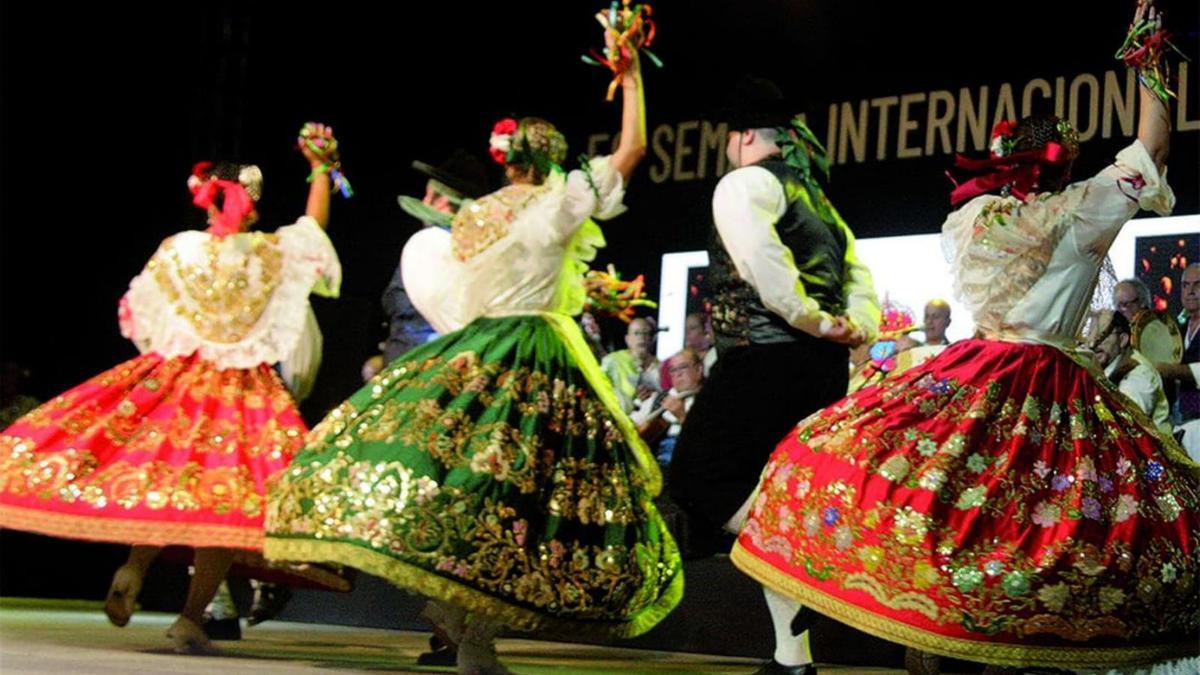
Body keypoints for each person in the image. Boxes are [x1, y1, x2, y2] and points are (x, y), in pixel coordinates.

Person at [732, 3, 1199, 669]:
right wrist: (1151, 67)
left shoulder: (971, 217)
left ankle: (793, 654)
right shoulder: (1080, 211)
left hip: (971, 367)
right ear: (1065, 166)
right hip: (1046, 383)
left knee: (863, 476)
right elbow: (1151, 150)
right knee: (1047, 531)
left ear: (1004, 158)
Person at [264, 32, 680, 675]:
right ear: (550, 159)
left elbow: (465, 293)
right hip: (543, 348)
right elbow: (632, 149)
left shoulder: (474, 215)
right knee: (531, 495)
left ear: (505, 161)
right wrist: (629, 78)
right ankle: (475, 635)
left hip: (477, 346)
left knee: (468, 485)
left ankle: (456, 619)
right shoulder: (557, 203)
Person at [0, 124, 347, 654]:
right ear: (250, 206)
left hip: (179, 381)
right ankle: (190, 616)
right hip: (241, 394)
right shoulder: (267, 253)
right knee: (221, 510)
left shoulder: (178, 249)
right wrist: (321, 169)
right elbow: (313, 229)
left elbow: (137, 313)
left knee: (165, 481)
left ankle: (134, 566)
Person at [669, 75, 879, 675]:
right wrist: (851, 327)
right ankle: (792, 657)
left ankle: (799, 559)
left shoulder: (745, 183)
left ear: (741, 138)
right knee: (774, 494)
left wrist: (812, 319)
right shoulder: (821, 203)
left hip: (764, 360)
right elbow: (859, 277)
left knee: (698, 481)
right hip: (817, 369)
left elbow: (764, 263)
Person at [1092, 311, 1171, 434]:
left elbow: (1127, 426)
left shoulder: (1139, 375)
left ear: (1122, 340)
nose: (1094, 343)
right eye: (1090, 335)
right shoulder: (1100, 367)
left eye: (1103, 335)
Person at [632, 348, 705, 465]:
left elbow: (709, 443)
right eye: (673, 370)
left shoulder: (711, 399)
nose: (678, 374)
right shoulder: (659, 398)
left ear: (699, 369)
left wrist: (681, 415)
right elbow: (635, 425)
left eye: (683, 367)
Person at [1159, 263, 1200, 459]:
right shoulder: (1177, 329)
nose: (1190, 291)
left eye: (1197, 285)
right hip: (1179, 424)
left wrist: (1169, 370)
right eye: (1185, 285)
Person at [601, 317, 662, 412]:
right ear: (627, 339)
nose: (642, 337)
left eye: (646, 333)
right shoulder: (612, 361)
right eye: (637, 333)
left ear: (651, 339)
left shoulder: (661, 367)